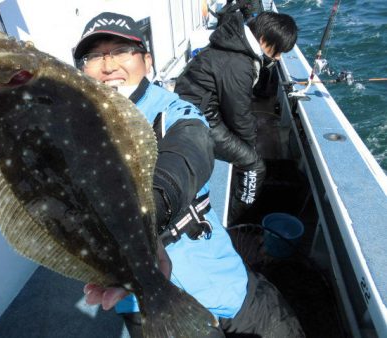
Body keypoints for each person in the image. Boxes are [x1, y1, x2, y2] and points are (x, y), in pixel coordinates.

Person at [73, 12, 304, 337]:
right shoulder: (73, 134)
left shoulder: (173, 110)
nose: (108, 65)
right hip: (149, 300)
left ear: (148, 60)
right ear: (81, 71)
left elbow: (190, 146)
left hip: (216, 271)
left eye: (122, 51)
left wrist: (150, 209)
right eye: (94, 56)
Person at [174, 9, 298, 224]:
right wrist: (249, 149)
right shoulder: (238, 64)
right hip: (198, 121)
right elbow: (239, 116)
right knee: (254, 165)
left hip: (197, 109)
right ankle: (234, 219)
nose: (278, 58)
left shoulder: (233, 44)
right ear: (263, 39)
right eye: (278, 51)